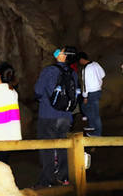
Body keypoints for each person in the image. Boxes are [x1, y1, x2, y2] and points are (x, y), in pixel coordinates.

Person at [34, 46, 80, 188]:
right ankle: (63, 177)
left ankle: (48, 180)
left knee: (47, 147)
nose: (58, 50)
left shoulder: (49, 71)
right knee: (63, 147)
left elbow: (38, 91)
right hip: (66, 117)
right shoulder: (73, 73)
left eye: (61, 50)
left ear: (64, 56)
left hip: (48, 115)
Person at [76, 52, 105, 136]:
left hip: (91, 93)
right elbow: (103, 74)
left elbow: (85, 85)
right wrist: (99, 83)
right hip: (98, 91)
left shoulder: (85, 69)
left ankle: (97, 133)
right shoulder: (96, 64)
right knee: (86, 108)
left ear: (81, 60)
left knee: (94, 114)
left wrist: (85, 97)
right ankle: (92, 128)